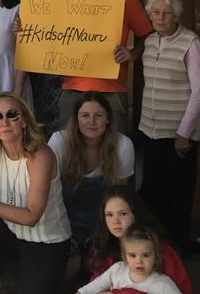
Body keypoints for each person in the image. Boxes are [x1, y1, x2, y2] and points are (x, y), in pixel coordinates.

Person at [0, 92, 71, 294]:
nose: (5, 122)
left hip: (46, 240)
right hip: (11, 231)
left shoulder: (41, 155)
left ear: (25, 121)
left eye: (12, 115)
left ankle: (57, 266)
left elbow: (31, 216)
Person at [139, 0, 200, 254]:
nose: (160, 18)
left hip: (177, 135)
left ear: (176, 15)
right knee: (153, 193)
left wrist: (184, 133)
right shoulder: (151, 40)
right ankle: (155, 250)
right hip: (150, 130)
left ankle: (178, 250)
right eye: (155, 12)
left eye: (166, 13)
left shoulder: (190, 42)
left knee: (178, 195)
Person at [58, 0, 153, 135]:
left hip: (111, 90)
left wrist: (133, 54)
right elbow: (45, 34)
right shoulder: (65, 2)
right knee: (68, 151)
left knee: (115, 152)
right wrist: (22, 28)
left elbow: (147, 35)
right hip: (72, 89)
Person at [48, 91, 134, 279]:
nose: (91, 121)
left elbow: (120, 199)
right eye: (85, 115)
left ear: (108, 119)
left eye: (98, 115)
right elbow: (49, 195)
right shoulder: (59, 142)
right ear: (76, 119)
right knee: (64, 272)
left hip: (102, 224)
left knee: (105, 273)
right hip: (65, 222)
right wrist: (64, 234)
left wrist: (103, 237)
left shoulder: (123, 145)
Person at [88, 186, 192, 294]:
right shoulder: (104, 245)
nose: (115, 221)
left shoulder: (159, 248)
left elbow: (181, 289)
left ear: (135, 215)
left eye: (123, 214)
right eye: (109, 215)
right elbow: (95, 284)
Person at [29, 0, 73, 138]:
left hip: (66, 73)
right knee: (39, 123)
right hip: (39, 73)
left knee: (62, 125)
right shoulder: (34, 3)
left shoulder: (77, 3)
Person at [78, 224, 181, 294]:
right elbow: (96, 285)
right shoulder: (118, 270)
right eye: (132, 255)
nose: (139, 261)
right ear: (125, 256)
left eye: (146, 255)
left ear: (155, 257)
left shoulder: (162, 284)